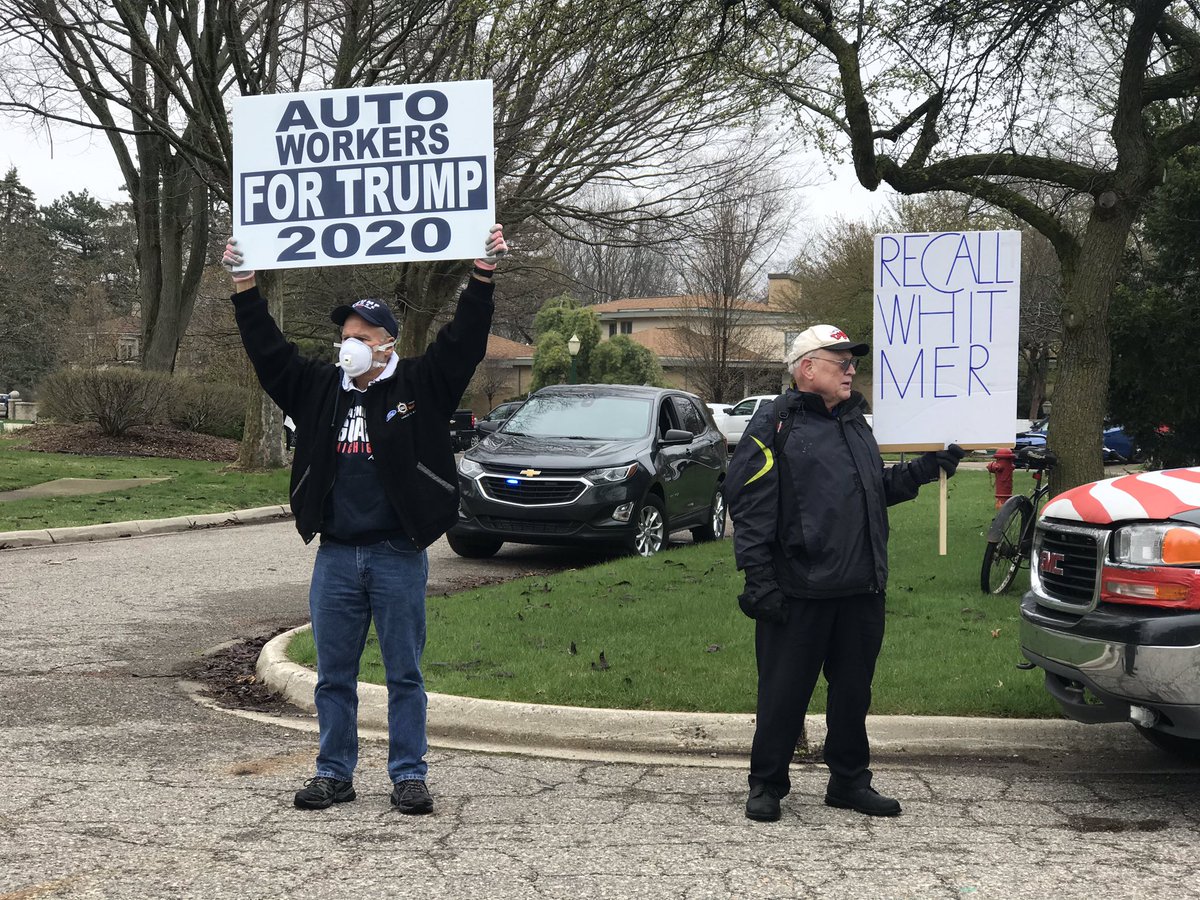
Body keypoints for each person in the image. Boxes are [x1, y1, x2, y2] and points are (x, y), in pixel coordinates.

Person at [221, 224, 508, 814]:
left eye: (360, 335)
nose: (347, 343)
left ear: (385, 342)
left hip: (397, 554)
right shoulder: (321, 388)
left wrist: (482, 275)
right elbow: (268, 353)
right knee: (333, 676)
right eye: (344, 334)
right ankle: (334, 772)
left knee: (404, 674)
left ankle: (408, 775)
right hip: (336, 556)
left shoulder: (421, 383)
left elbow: (465, 341)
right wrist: (245, 287)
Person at [726, 323, 963, 822]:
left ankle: (849, 781)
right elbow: (749, 508)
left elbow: (875, 489)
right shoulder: (774, 424)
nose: (852, 369)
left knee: (853, 694)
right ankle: (767, 783)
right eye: (841, 361)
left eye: (852, 361)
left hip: (861, 587)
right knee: (783, 695)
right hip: (798, 591)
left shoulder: (857, 423)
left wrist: (925, 468)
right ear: (807, 368)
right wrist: (759, 580)